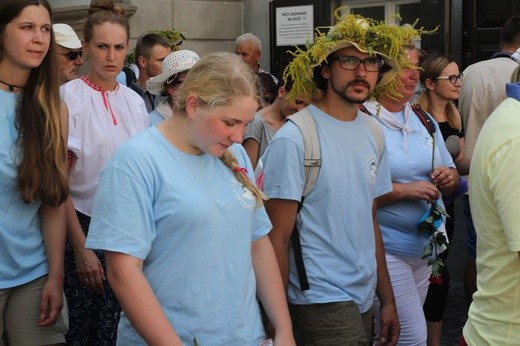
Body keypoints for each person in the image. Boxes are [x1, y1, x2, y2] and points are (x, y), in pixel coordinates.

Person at [85, 52, 294, 345]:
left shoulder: (235, 156)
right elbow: (122, 271)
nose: (239, 135)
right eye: (230, 122)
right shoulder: (135, 162)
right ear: (193, 104)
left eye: (245, 124)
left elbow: (257, 243)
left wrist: (283, 329)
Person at [261, 12, 401, 345]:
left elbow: (370, 218)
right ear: (325, 69)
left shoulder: (373, 131)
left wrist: (388, 299)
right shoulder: (296, 137)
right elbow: (275, 238)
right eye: (349, 60)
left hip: (363, 296)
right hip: (319, 298)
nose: (361, 72)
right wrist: (279, 325)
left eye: (370, 63)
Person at [60, 0, 150, 344]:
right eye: (102, 47)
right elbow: (59, 184)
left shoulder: (134, 101)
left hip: (129, 229)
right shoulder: (69, 99)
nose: (111, 57)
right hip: (84, 225)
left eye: (118, 47)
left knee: (121, 330)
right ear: (85, 47)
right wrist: (80, 247)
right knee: (85, 330)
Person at [363, 44, 460, 345]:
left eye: (416, 67)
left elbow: (451, 171)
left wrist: (449, 177)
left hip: (425, 250)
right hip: (388, 251)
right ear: (381, 72)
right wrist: (405, 191)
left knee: (392, 337)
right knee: (412, 338)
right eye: (404, 68)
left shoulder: (422, 119)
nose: (413, 76)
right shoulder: (363, 119)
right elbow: (352, 193)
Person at [0, 0, 69, 344]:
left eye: (45, 29)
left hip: (33, 274)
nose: (40, 39)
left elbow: (53, 199)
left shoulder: (53, 108)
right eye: (27, 27)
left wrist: (56, 275)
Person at [458, 15, 520, 307]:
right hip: (505, 175)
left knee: (479, 251)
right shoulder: (515, 73)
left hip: (474, 176)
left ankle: (473, 305)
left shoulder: (470, 71)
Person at [416, 54, 468, 346]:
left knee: (441, 276)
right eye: (451, 78)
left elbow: (458, 162)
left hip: (447, 208)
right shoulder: (416, 118)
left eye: (458, 76)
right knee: (426, 275)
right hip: (421, 209)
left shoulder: (455, 115)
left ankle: (433, 341)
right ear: (430, 84)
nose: (458, 82)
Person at [242, 78, 308, 170]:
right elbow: (248, 171)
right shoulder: (257, 122)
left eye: (306, 105)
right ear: (281, 92)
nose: (300, 109)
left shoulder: (294, 123)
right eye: (298, 102)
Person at [146, 49, 200, 126]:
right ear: (170, 88)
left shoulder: (208, 117)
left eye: (200, 80)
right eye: (187, 82)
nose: (197, 86)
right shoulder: (153, 123)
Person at [129, 33, 172, 112]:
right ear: (143, 62)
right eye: (162, 60)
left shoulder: (171, 93)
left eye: (169, 60)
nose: (168, 65)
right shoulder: (126, 98)